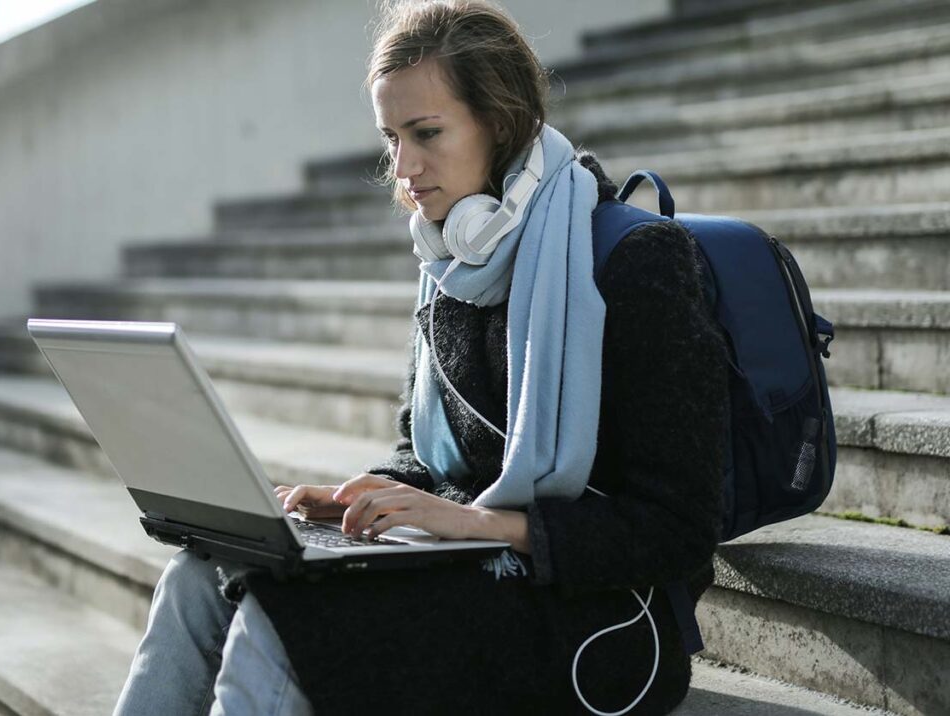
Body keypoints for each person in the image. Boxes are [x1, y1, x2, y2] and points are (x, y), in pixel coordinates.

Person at [113, 1, 730, 714]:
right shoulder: (451, 259)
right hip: (471, 568)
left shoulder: (635, 263)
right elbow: (426, 457)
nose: (403, 168)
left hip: (597, 618)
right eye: (390, 137)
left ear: (500, 124)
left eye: (426, 133)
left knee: (285, 619)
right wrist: (355, 496)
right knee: (199, 575)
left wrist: (481, 525)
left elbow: (679, 529)